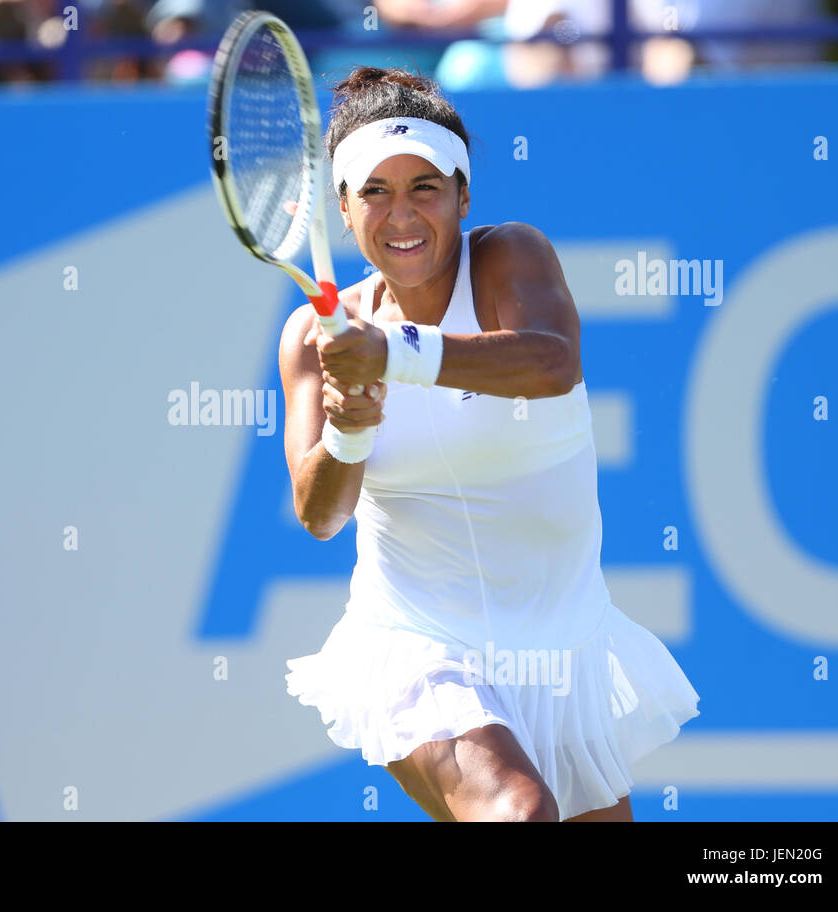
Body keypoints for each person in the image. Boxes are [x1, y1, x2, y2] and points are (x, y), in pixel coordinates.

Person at [281, 66, 700, 821]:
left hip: (561, 646)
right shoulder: (314, 337)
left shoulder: (511, 257)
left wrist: (394, 352)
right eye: (374, 190)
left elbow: (552, 362)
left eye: (425, 188)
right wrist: (351, 426)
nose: (401, 213)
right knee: (517, 810)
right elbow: (320, 514)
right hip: (415, 642)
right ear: (343, 210)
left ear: (464, 198)